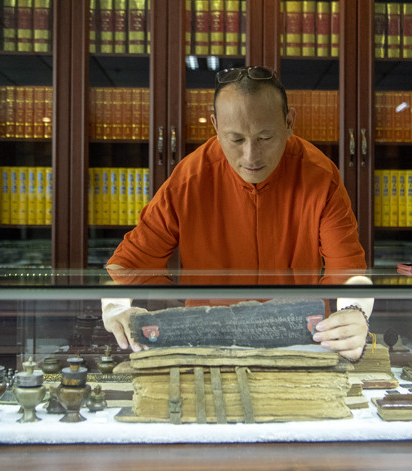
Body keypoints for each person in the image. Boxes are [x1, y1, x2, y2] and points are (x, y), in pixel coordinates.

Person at [102, 66, 373, 362]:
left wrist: (354, 312)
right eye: (236, 139)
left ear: (289, 122)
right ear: (215, 126)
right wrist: (115, 307)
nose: (251, 156)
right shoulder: (189, 180)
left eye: (265, 137)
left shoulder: (320, 176)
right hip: (207, 343)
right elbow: (128, 264)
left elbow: (349, 273)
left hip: (300, 342)